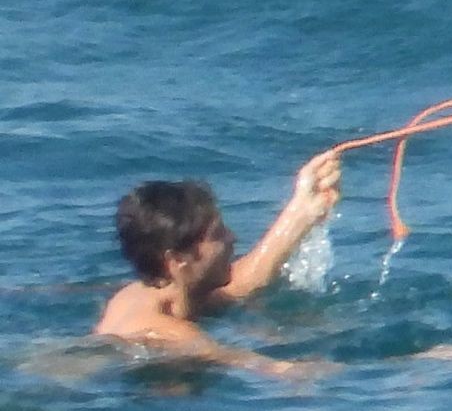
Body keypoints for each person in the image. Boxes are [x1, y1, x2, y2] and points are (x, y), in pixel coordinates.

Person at [94, 150, 343, 377]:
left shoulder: (156, 292)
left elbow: (244, 282)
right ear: (178, 259)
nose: (232, 238)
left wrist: (303, 209)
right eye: (217, 235)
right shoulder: (166, 333)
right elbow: (262, 367)